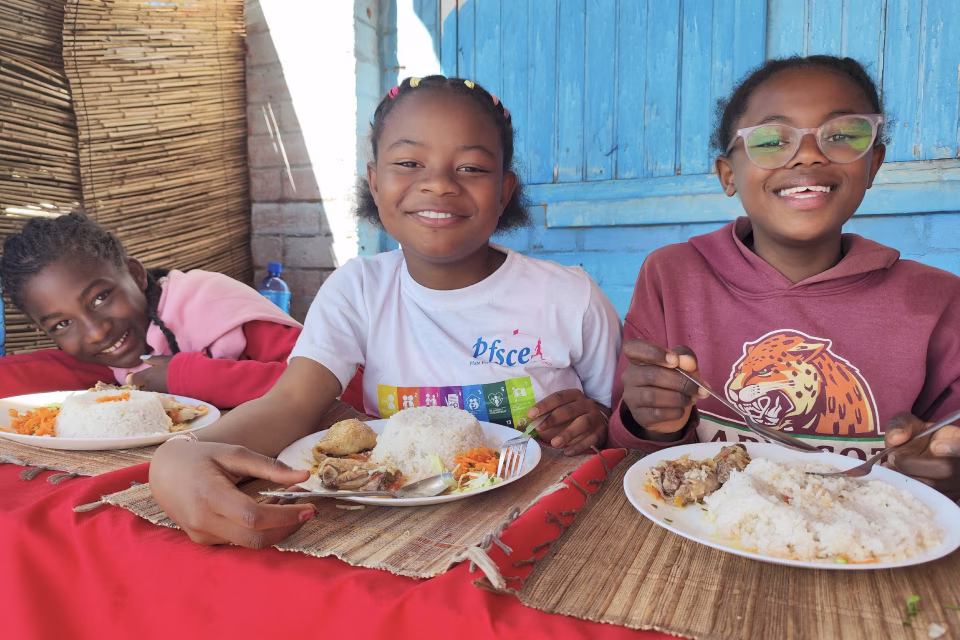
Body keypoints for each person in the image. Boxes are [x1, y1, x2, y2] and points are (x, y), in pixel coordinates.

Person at [149, 75, 622, 547]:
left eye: (472, 168)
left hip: (540, 527)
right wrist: (185, 450)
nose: (438, 183)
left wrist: (597, 421)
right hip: (393, 531)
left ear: (503, 190)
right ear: (375, 183)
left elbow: (619, 419)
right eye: (409, 162)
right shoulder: (358, 289)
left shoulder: (571, 298)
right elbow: (292, 404)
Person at [608, 55, 960, 501]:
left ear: (873, 164)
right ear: (728, 174)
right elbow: (628, 453)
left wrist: (943, 468)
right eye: (772, 140)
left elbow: (948, 459)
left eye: (842, 135)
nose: (809, 154)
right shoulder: (672, 276)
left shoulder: (938, 301)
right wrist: (647, 422)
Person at [0, 212, 364, 411]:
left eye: (100, 298)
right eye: (63, 323)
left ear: (136, 274)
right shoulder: (112, 360)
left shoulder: (212, 304)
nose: (94, 331)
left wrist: (190, 377)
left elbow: (345, 390)